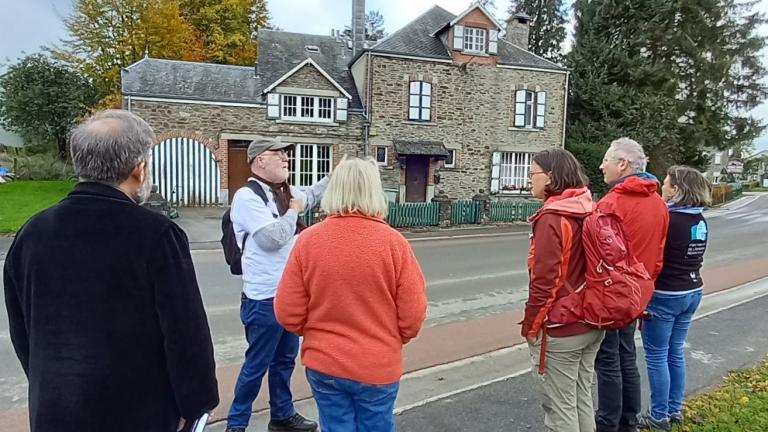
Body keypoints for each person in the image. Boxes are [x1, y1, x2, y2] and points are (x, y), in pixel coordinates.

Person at [2, 110, 219, 432]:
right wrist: (197, 403)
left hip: (56, 408)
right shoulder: (155, 235)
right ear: (139, 168)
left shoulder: (33, 232)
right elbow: (185, 331)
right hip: (137, 409)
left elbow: (23, 329)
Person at [275, 157, 427, 432]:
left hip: (325, 362)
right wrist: (390, 339)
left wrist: (317, 333)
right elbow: (413, 315)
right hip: (377, 364)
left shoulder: (308, 241)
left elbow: (287, 312)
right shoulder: (395, 244)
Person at [225, 136, 327, 432]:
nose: (286, 159)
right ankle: (236, 425)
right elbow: (271, 239)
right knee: (256, 366)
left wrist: (341, 173)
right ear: (259, 160)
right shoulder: (247, 197)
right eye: (279, 153)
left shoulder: (284, 192)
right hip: (263, 300)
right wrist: (294, 210)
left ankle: (281, 415)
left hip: (289, 297)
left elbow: (312, 194)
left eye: (287, 154)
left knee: (284, 361)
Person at [523, 148, 605, 432]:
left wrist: (531, 326)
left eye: (533, 173)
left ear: (551, 177)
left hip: (562, 325)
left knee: (560, 408)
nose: (529, 179)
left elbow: (546, 281)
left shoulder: (553, 217)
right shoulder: (589, 207)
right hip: (592, 317)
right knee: (581, 396)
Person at [595, 138, 669, 432]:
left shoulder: (611, 203)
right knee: (627, 354)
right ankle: (629, 420)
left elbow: (597, 254)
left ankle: (607, 423)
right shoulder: (658, 203)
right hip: (640, 292)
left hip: (612, 293)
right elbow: (659, 252)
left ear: (622, 164)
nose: (602, 165)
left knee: (608, 359)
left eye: (606, 160)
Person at [636, 166, 711, 431]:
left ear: (677, 190)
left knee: (656, 356)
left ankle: (658, 416)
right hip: (692, 290)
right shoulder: (699, 219)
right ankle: (673, 409)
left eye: (666, 185)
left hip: (665, 294)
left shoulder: (668, 219)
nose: (662, 189)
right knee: (675, 353)